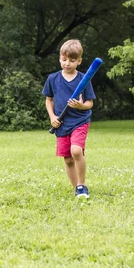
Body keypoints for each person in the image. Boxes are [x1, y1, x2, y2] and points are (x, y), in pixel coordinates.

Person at [43, 39, 96, 199]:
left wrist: (81, 106)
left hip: (79, 121)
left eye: (72, 60)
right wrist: (52, 117)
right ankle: (77, 189)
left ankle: (82, 185)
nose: (67, 63)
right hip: (61, 123)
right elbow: (48, 100)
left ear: (79, 61)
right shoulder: (53, 79)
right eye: (64, 59)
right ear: (60, 58)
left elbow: (90, 103)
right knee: (67, 158)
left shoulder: (83, 79)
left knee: (76, 151)